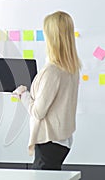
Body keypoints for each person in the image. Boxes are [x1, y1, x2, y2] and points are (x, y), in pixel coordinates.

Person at [12, 11, 81, 170]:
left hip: (49, 141)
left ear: (52, 38)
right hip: (63, 139)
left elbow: (38, 112)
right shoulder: (72, 67)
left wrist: (23, 94)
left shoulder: (52, 71)